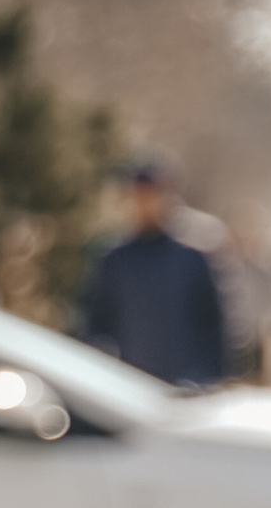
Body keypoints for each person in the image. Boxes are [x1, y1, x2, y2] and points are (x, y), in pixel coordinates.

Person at [78, 157, 231, 387]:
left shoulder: (191, 259)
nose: (145, 204)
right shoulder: (115, 261)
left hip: (186, 388)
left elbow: (214, 328)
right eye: (139, 197)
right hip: (131, 388)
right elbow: (96, 326)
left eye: (152, 195)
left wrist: (207, 378)